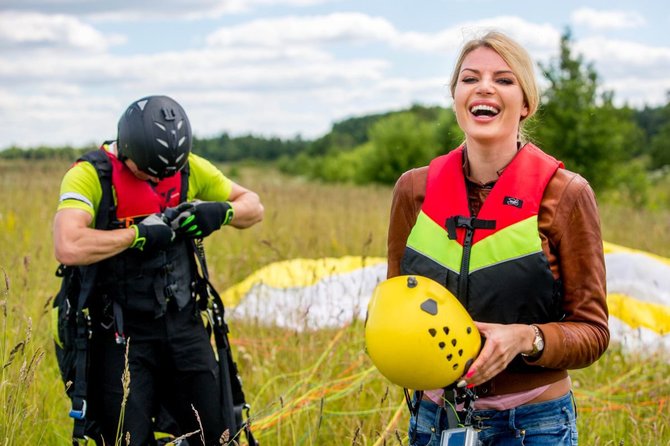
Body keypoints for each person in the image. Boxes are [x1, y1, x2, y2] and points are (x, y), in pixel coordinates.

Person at [386, 31, 609, 445]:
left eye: (504, 80)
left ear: (526, 104)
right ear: (456, 97)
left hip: (535, 424)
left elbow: (593, 332)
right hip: (435, 421)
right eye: (470, 78)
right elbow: (397, 303)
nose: (485, 87)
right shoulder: (412, 191)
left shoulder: (568, 194)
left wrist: (527, 337)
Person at [53, 95, 264, 445]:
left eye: (165, 174)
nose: (157, 179)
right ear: (127, 149)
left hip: (183, 322)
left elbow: (254, 207)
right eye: (148, 172)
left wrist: (219, 212)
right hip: (120, 331)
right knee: (126, 438)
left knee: (220, 433)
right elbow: (68, 244)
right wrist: (136, 235)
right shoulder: (89, 175)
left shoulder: (188, 168)